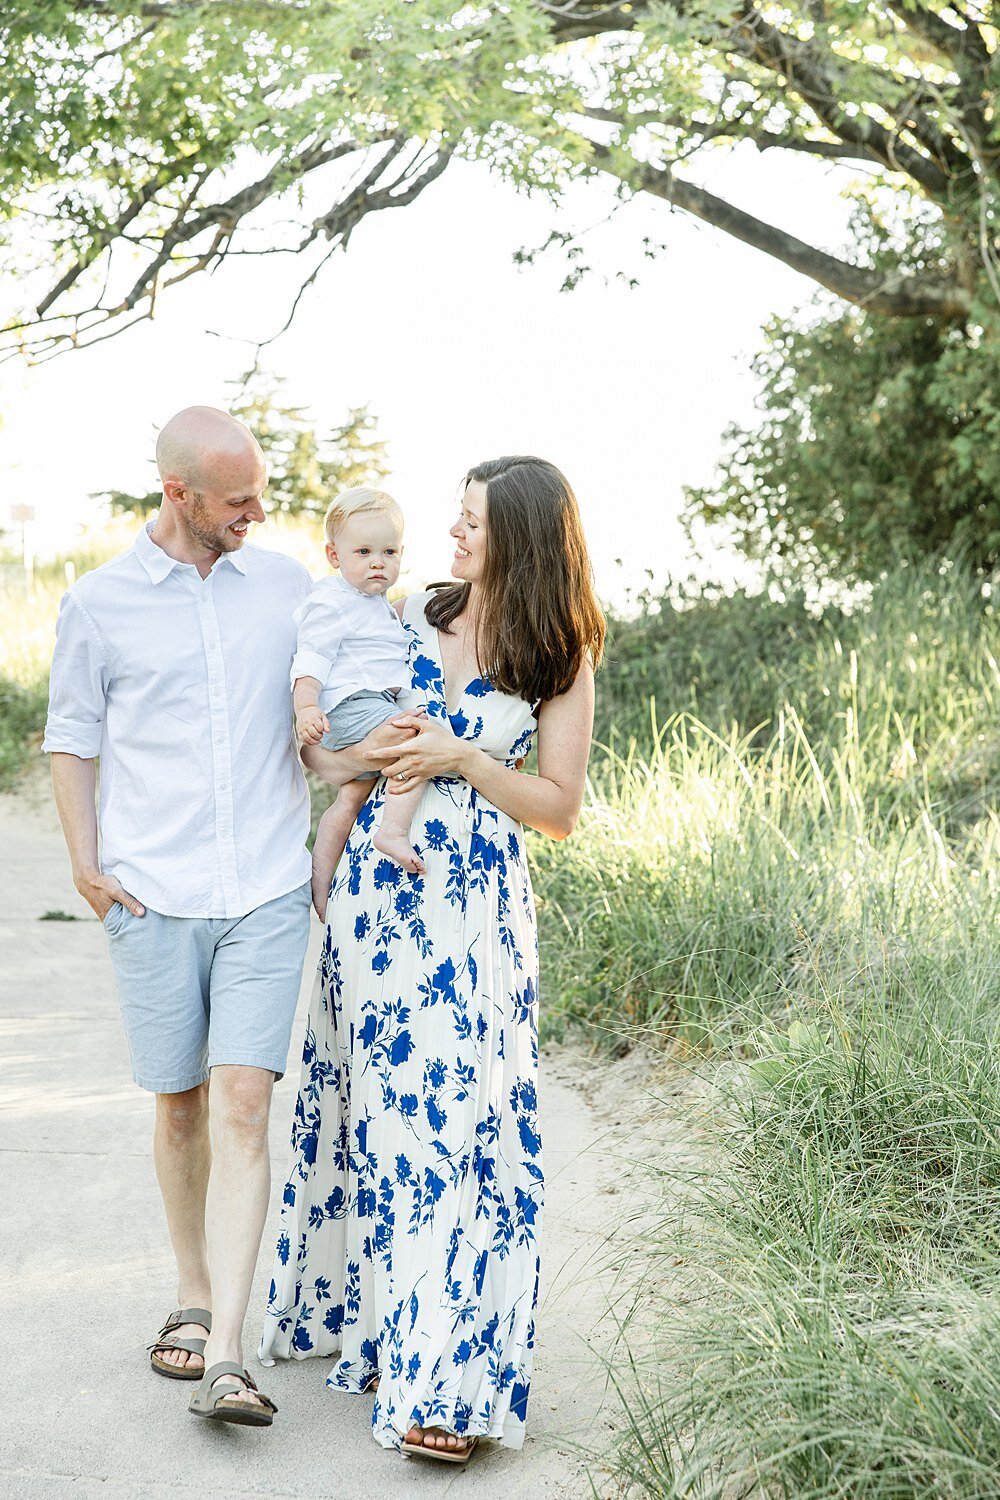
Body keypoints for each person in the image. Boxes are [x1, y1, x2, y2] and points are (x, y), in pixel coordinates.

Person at [260, 455, 605, 1463]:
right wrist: (356, 766)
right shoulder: (406, 613)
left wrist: (463, 760)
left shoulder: (558, 652)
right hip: (380, 898)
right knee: (386, 1122)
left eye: (471, 524)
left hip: (474, 916)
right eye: (453, 520)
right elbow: (328, 753)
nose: (450, 537)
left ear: (525, 539)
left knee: (459, 1129)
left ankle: (446, 1385)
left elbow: (560, 811)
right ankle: (391, 1335)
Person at [43, 406, 313, 1428]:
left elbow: (356, 663)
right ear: (177, 493)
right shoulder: (100, 602)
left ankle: (231, 1353)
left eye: (259, 493)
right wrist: (84, 863)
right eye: (237, 499)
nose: (257, 512)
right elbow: (72, 737)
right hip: (151, 892)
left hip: (264, 892)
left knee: (245, 1099)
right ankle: (191, 1292)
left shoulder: (287, 587)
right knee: (183, 1106)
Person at [292, 486, 427, 918]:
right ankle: (393, 830)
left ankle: (319, 890)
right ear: (334, 556)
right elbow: (310, 656)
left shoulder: (377, 605)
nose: (377, 562)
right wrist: (306, 707)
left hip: (372, 704)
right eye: (364, 551)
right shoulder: (332, 601)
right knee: (419, 739)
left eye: (389, 552)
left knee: (351, 797)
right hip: (351, 705)